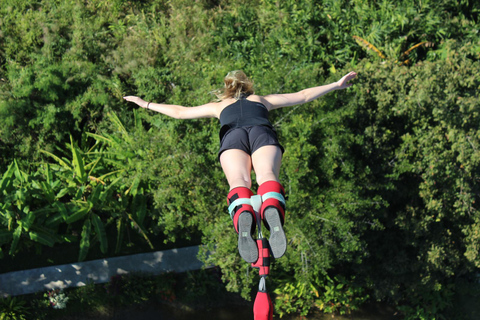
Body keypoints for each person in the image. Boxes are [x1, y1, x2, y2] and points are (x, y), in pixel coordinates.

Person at [123, 70, 357, 263]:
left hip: (232, 137)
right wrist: (336, 84)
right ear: (249, 87)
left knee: (239, 182)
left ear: (227, 89)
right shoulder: (262, 100)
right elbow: (304, 95)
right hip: (261, 132)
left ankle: (244, 212)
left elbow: (180, 112)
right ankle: (271, 207)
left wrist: (146, 104)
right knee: (266, 175)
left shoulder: (219, 106)